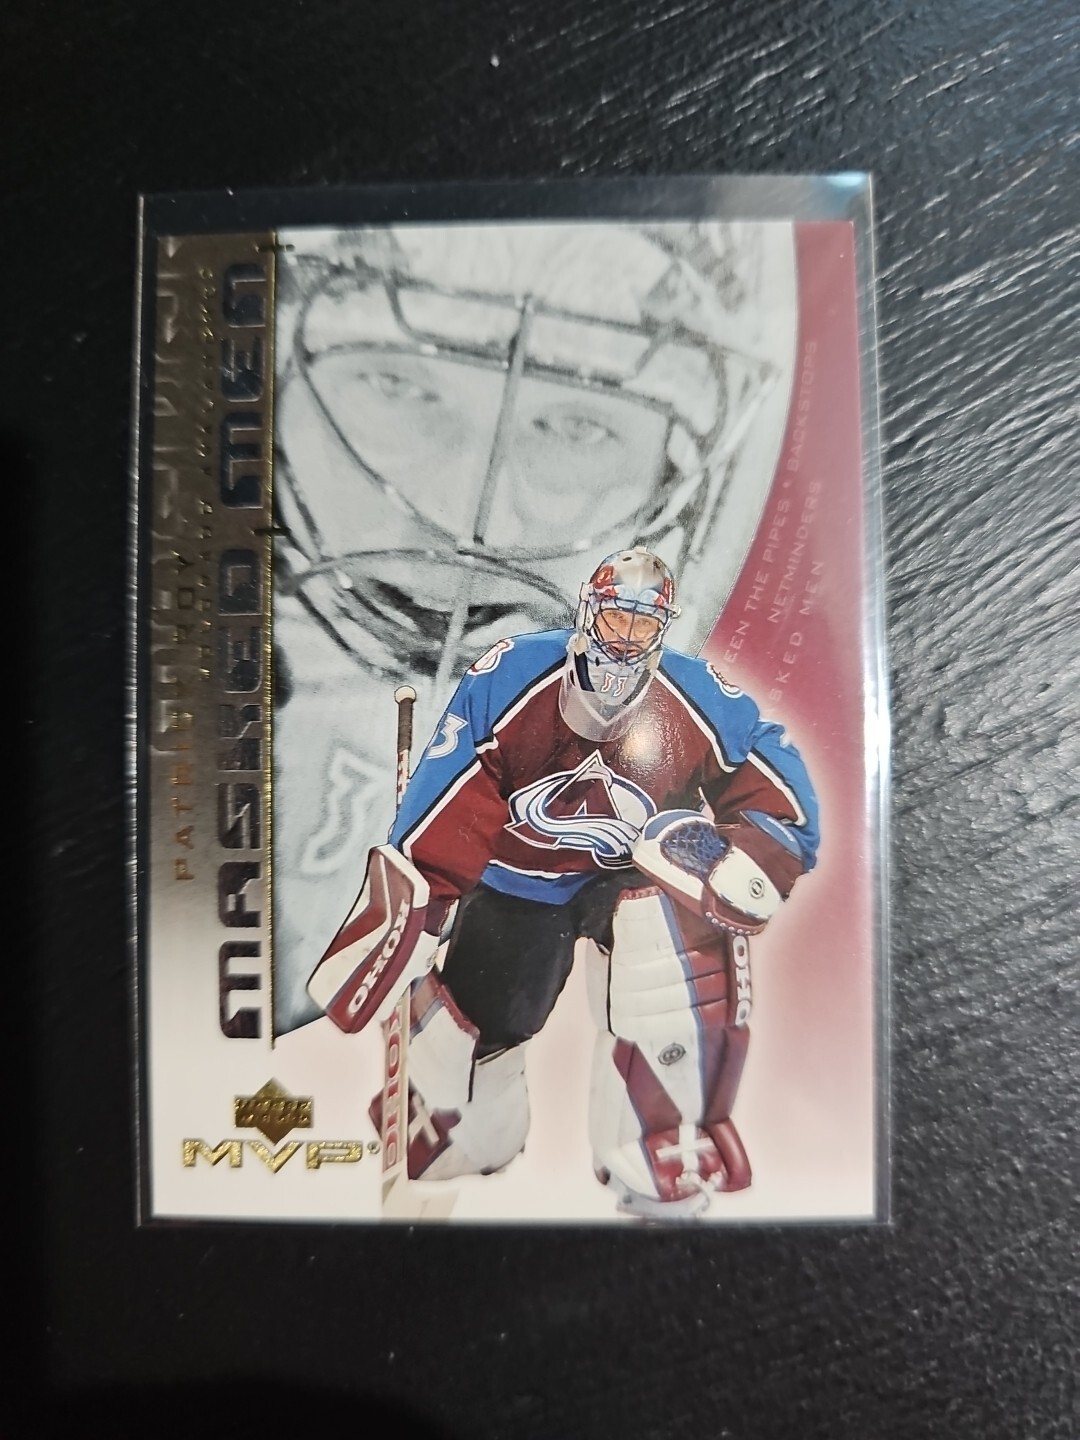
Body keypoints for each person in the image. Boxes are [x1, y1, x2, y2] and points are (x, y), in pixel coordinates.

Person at [271, 220, 799, 1032]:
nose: (462, 515)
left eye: (576, 428)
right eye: (395, 387)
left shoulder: (674, 717)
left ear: (677, 471)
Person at [308, 548, 819, 1218]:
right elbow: (448, 795)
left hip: (631, 876)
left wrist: (756, 852)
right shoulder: (512, 674)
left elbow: (768, 767)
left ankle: (656, 1143)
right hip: (518, 882)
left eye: (643, 624)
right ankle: (454, 1124)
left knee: (673, 979)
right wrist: (417, 906)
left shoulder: (693, 694)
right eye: (615, 618)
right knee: (476, 1029)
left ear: (664, 628)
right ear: (587, 610)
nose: (625, 639)